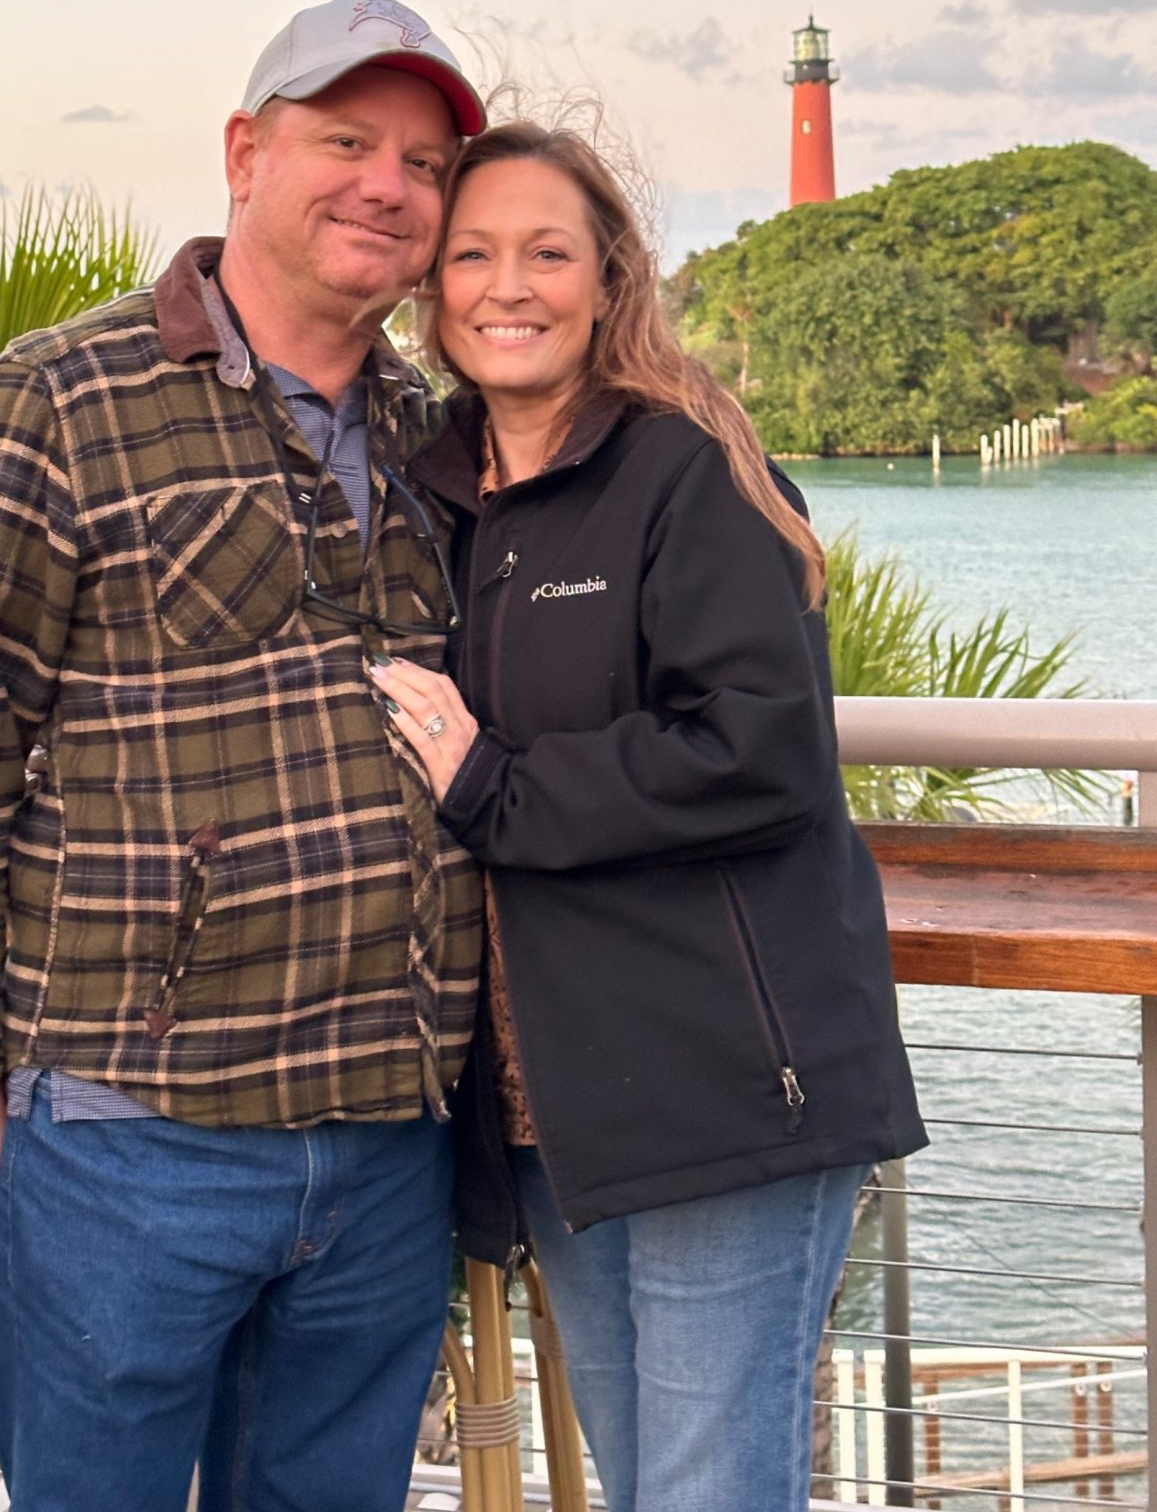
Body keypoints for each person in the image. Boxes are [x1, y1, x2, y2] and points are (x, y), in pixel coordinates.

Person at [0, 0, 489, 1512]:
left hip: (389, 1140)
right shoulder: (62, 396)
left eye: (423, 162)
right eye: (345, 142)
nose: (386, 186)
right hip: (136, 1139)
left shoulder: (440, 434)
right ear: (242, 153)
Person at [376, 120, 928, 1512]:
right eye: (473, 255)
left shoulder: (686, 473)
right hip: (557, 1101)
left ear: (609, 276)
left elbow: (761, 751)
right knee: (649, 1487)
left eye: (548, 252)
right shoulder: (437, 497)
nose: (510, 285)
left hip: (724, 1084)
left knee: (705, 1495)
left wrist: (490, 782)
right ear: (430, 291)